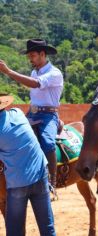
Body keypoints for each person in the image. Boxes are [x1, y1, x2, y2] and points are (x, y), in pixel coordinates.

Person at [0, 39, 63, 197]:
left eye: (33, 55)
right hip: (32, 113)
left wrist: (8, 72)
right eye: (29, 56)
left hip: (49, 115)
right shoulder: (35, 71)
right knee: (13, 133)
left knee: (48, 142)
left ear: (43, 54)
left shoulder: (54, 73)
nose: (30, 59)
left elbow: (35, 84)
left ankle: (52, 183)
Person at [0, 94, 56, 236]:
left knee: (14, 231)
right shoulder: (17, 112)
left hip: (18, 183)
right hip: (41, 175)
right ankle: (54, 182)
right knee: (48, 228)